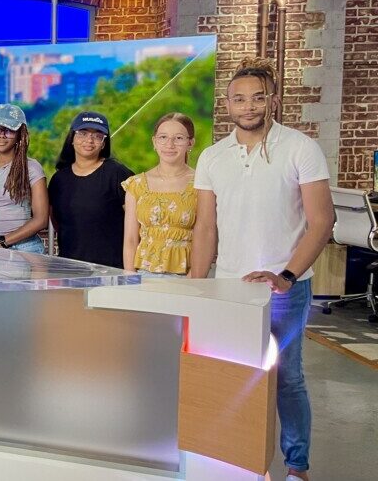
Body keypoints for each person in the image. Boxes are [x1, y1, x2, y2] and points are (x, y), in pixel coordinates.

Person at [190, 58, 332, 481]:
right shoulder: (213, 157)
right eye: (239, 99)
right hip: (229, 289)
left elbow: (322, 221)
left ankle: (297, 467)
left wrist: (286, 275)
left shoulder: (301, 148)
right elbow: (205, 227)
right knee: (232, 377)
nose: (248, 106)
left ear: (272, 99)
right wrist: (197, 287)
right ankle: (238, 463)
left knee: (287, 380)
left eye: (257, 97)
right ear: (227, 105)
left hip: (285, 291)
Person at [47, 111, 134, 268]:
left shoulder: (117, 174)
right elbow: (58, 222)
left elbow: (136, 224)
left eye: (97, 135)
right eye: (83, 133)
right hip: (69, 269)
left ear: (104, 143)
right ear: (72, 138)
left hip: (111, 270)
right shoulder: (59, 179)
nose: (89, 140)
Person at [122, 112, 198, 275]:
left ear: (190, 143)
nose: (169, 144)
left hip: (187, 275)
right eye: (163, 137)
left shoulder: (201, 184)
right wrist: (129, 278)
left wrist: (195, 277)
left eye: (178, 138)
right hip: (143, 274)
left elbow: (206, 237)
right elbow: (130, 239)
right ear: (154, 142)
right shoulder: (136, 184)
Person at [0, 103, 49, 253]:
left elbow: (41, 219)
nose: (1, 135)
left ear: (20, 134)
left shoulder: (32, 168)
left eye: (9, 130)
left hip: (26, 251)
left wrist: (1, 242)